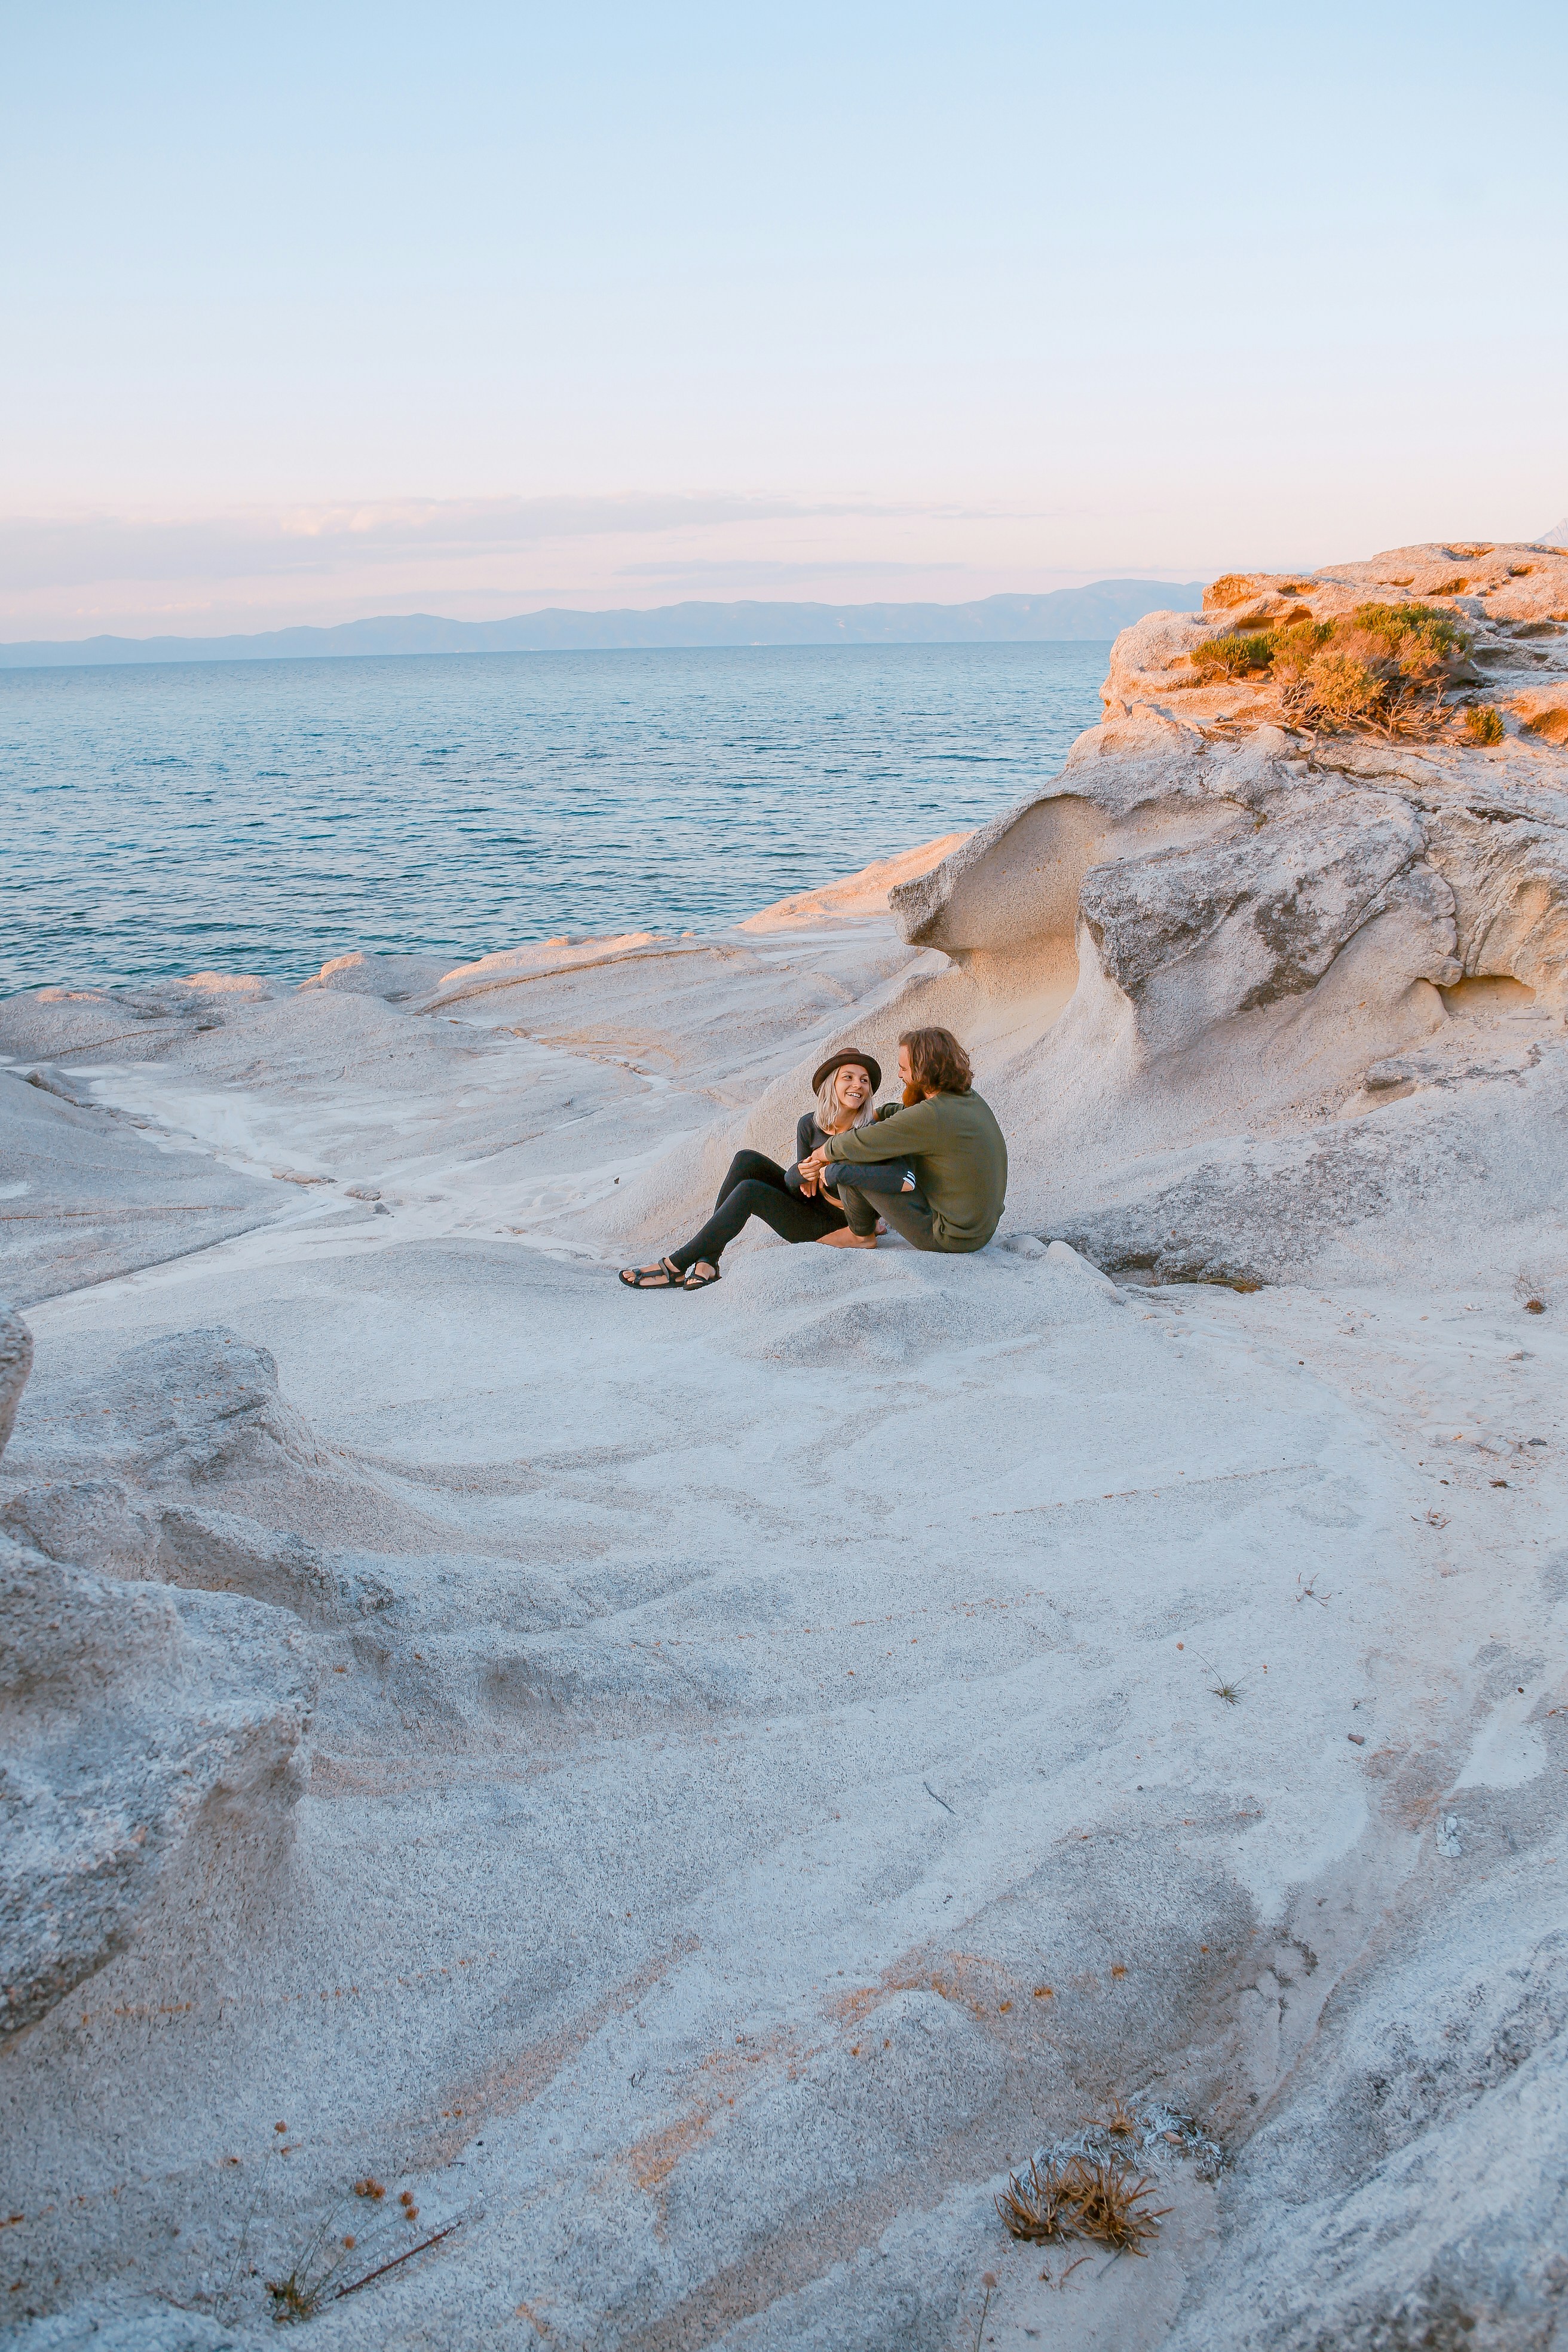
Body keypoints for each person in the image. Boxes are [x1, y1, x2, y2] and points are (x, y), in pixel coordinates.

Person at [618, 1049, 893, 1291]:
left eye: (864, 1080)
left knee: (750, 1191)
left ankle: (677, 1264)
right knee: (745, 1159)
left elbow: (870, 1192)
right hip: (810, 1205)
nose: (858, 1085)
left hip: (837, 1223)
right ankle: (708, 1261)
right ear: (831, 1083)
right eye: (849, 1077)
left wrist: (818, 1169)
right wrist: (802, 1173)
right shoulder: (809, 1125)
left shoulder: (869, 1132)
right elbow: (795, 1185)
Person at [798, 1025, 1005, 1254]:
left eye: (904, 1069)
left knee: (849, 1154)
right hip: (978, 1229)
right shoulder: (965, 1100)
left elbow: (862, 1142)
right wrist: (878, 1113)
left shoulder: (931, 1116)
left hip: (950, 1236)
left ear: (923, 1071)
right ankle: (869, 1221)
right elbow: (905, 1112)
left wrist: (820, 1154)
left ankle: (861, 1235)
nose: (900, 1075)